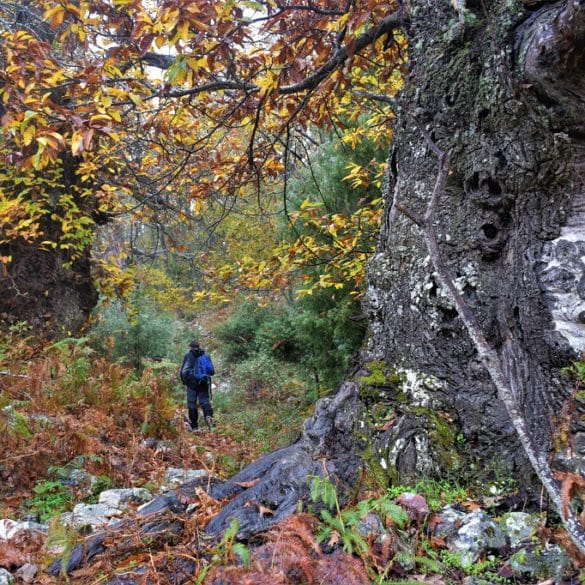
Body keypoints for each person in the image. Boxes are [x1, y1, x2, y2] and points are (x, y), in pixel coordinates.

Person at [180, 340, 215, 431]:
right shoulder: (205, 355)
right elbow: (212, 371)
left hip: (191, 384)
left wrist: (185, 381)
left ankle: (195, 426)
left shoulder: (188, 356)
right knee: (205, 401)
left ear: (190, 347)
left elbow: (183, 371)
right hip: (203, 382)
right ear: (199, 346)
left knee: (192, 404)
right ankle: (208, 416)